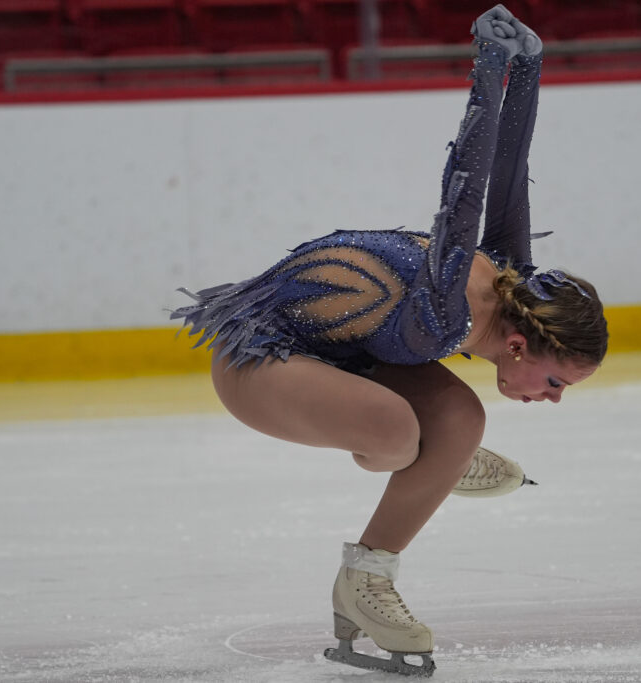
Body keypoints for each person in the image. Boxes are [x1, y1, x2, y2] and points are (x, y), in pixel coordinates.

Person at [171, 4, 608, 674]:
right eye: (556, 382)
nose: (551, 397)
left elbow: (511, 171)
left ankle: (398, 530)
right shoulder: (448, 306)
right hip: (260, 356)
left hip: (345, 352)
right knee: (399, 433)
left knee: (460, 416)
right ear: (521, 347)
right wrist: (492, 64)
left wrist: (530, 67)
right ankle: (406, 507)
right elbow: (465, 183)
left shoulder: (512, 280)